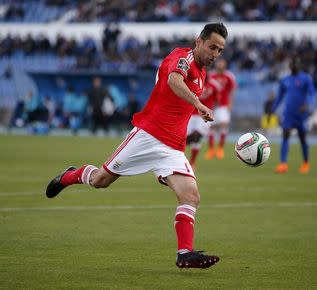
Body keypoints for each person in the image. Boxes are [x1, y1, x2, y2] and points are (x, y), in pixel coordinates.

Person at [45, 23, 228, 269]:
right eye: (212, 47)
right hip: (148, 135)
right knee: (101, 180)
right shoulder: (181, 58)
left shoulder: (202, 72)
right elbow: (174, 81)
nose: (215, 54)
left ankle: (184, 253)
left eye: (220, 50)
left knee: (191, 196)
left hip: (172, 147)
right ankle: (69, 176)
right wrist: (199, 104)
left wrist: (190, 135)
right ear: (199, 41)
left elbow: (177, 111)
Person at [272, 57, 314, 174]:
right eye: (293, 64)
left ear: (299, 66)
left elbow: (311, 93)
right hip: (289, 113)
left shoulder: (306, 78)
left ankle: (305, 163)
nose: (295, 66)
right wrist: (273, 109)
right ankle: (283, 164)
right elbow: (280, 96)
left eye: (297, 64)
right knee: (285, 135)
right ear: (290, 66)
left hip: (301, 113)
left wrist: (307, 104)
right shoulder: (285, 80)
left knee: (302, 138)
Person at [186, 74, 221, 169]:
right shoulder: (193, 82)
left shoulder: (214, 85)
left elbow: (217, 100)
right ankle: (180, 154)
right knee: (186, 138)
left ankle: (192, 163)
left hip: (205, 116)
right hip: (191, 114)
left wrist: (212, 112)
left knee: (197, 135)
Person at [206, 58, 237, 160]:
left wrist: (230, 104)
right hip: (212, 106)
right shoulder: (211, 75)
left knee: (224, 125)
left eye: (222, 63)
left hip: (223, 105)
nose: (220, 65)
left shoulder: (229, 76)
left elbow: (232, 91)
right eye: (219, 63)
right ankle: (211, 149)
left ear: (225, 65)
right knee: (211, 128)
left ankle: (220, 149)